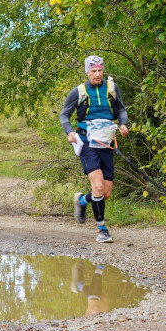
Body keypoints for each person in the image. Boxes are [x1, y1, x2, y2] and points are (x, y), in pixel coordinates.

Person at [59, 55, 129, 243]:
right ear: (87, 72)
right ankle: (102, 230)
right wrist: (70, 132)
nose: (97, 74)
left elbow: (121, 110)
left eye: (100, 71)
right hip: (86, 142)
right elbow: (64, 115)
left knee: (104, 193)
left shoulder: (112, 88)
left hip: (106, 144)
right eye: (93, 71)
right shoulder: (79, 92)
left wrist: (123, 124)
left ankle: (82, 201)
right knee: (97, 186)